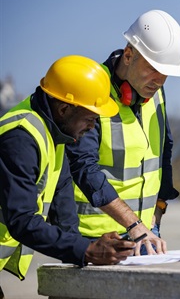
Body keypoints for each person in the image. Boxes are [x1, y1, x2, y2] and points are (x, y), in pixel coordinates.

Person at [0, 56, 134, 291]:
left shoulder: (55, 134)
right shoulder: (21, 137)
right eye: (90, 119)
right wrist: (87, 250)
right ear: (64, 109)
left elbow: (63, 211)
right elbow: (21, 219)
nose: (92, 127)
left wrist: (85, 250)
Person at [65, 10, 180, 255]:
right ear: (129, 55)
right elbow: (83, 167)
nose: (160, 80)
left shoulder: (156, 92)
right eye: (153, 68)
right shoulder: (93, 89)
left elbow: (164, 153)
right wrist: (133, 223)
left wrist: (159, 208)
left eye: (166, 73)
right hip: (95, 236)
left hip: (144, 233)